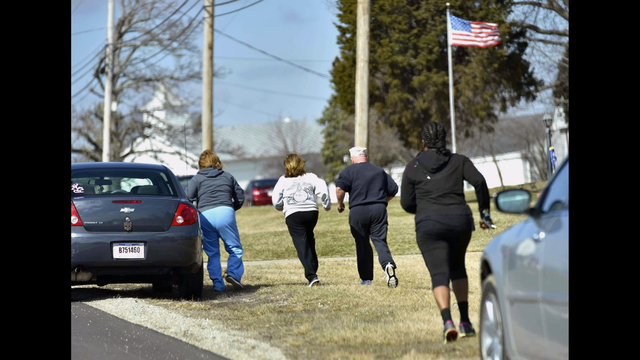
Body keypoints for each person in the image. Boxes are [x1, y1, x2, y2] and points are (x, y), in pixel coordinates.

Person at [400, 121, 493, 344]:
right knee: (458, 268)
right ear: (444, 140)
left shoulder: (412, 166)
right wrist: (484, 213)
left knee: (439, 274)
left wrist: (423, 210)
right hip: (459, 222)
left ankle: (447, 323)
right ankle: (465, 322)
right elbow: (479, 181)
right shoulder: (459, 161)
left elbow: (406, 203)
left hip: (429, 225)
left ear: (423, 142)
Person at [335, 146, 399, 288]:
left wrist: (340, 204)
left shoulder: (348, 171)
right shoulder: (378, 171)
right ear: (366, 157)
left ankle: (366, 279)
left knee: (362, 243)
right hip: (378, 209)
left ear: (352, 159)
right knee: (380, 241)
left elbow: (340, 189)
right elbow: (394, 189)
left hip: (358, 210)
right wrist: (382, 202)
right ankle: (388, 264)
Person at [187, 150, 246, 292]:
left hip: (205, 215)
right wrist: (231, 208)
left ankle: (218, 284)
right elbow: (240, 196)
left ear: (200, 165)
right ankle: (233, 273)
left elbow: (188, 198)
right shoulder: (227, 176)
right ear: (217, 162)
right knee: (234, 248)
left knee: (212, 252)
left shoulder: (196, 179)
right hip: (225, 212)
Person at [272, 153, 331, 287]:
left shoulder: (282, 180)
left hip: (293, 214)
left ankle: (311, 275)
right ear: (301, 164)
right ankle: (313, 266)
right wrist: (326, 205)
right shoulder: (310, 177)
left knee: (301, 243)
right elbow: (323, 188)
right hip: (311, 212)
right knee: (309, 238)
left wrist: (281, 207)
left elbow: (276, 201)